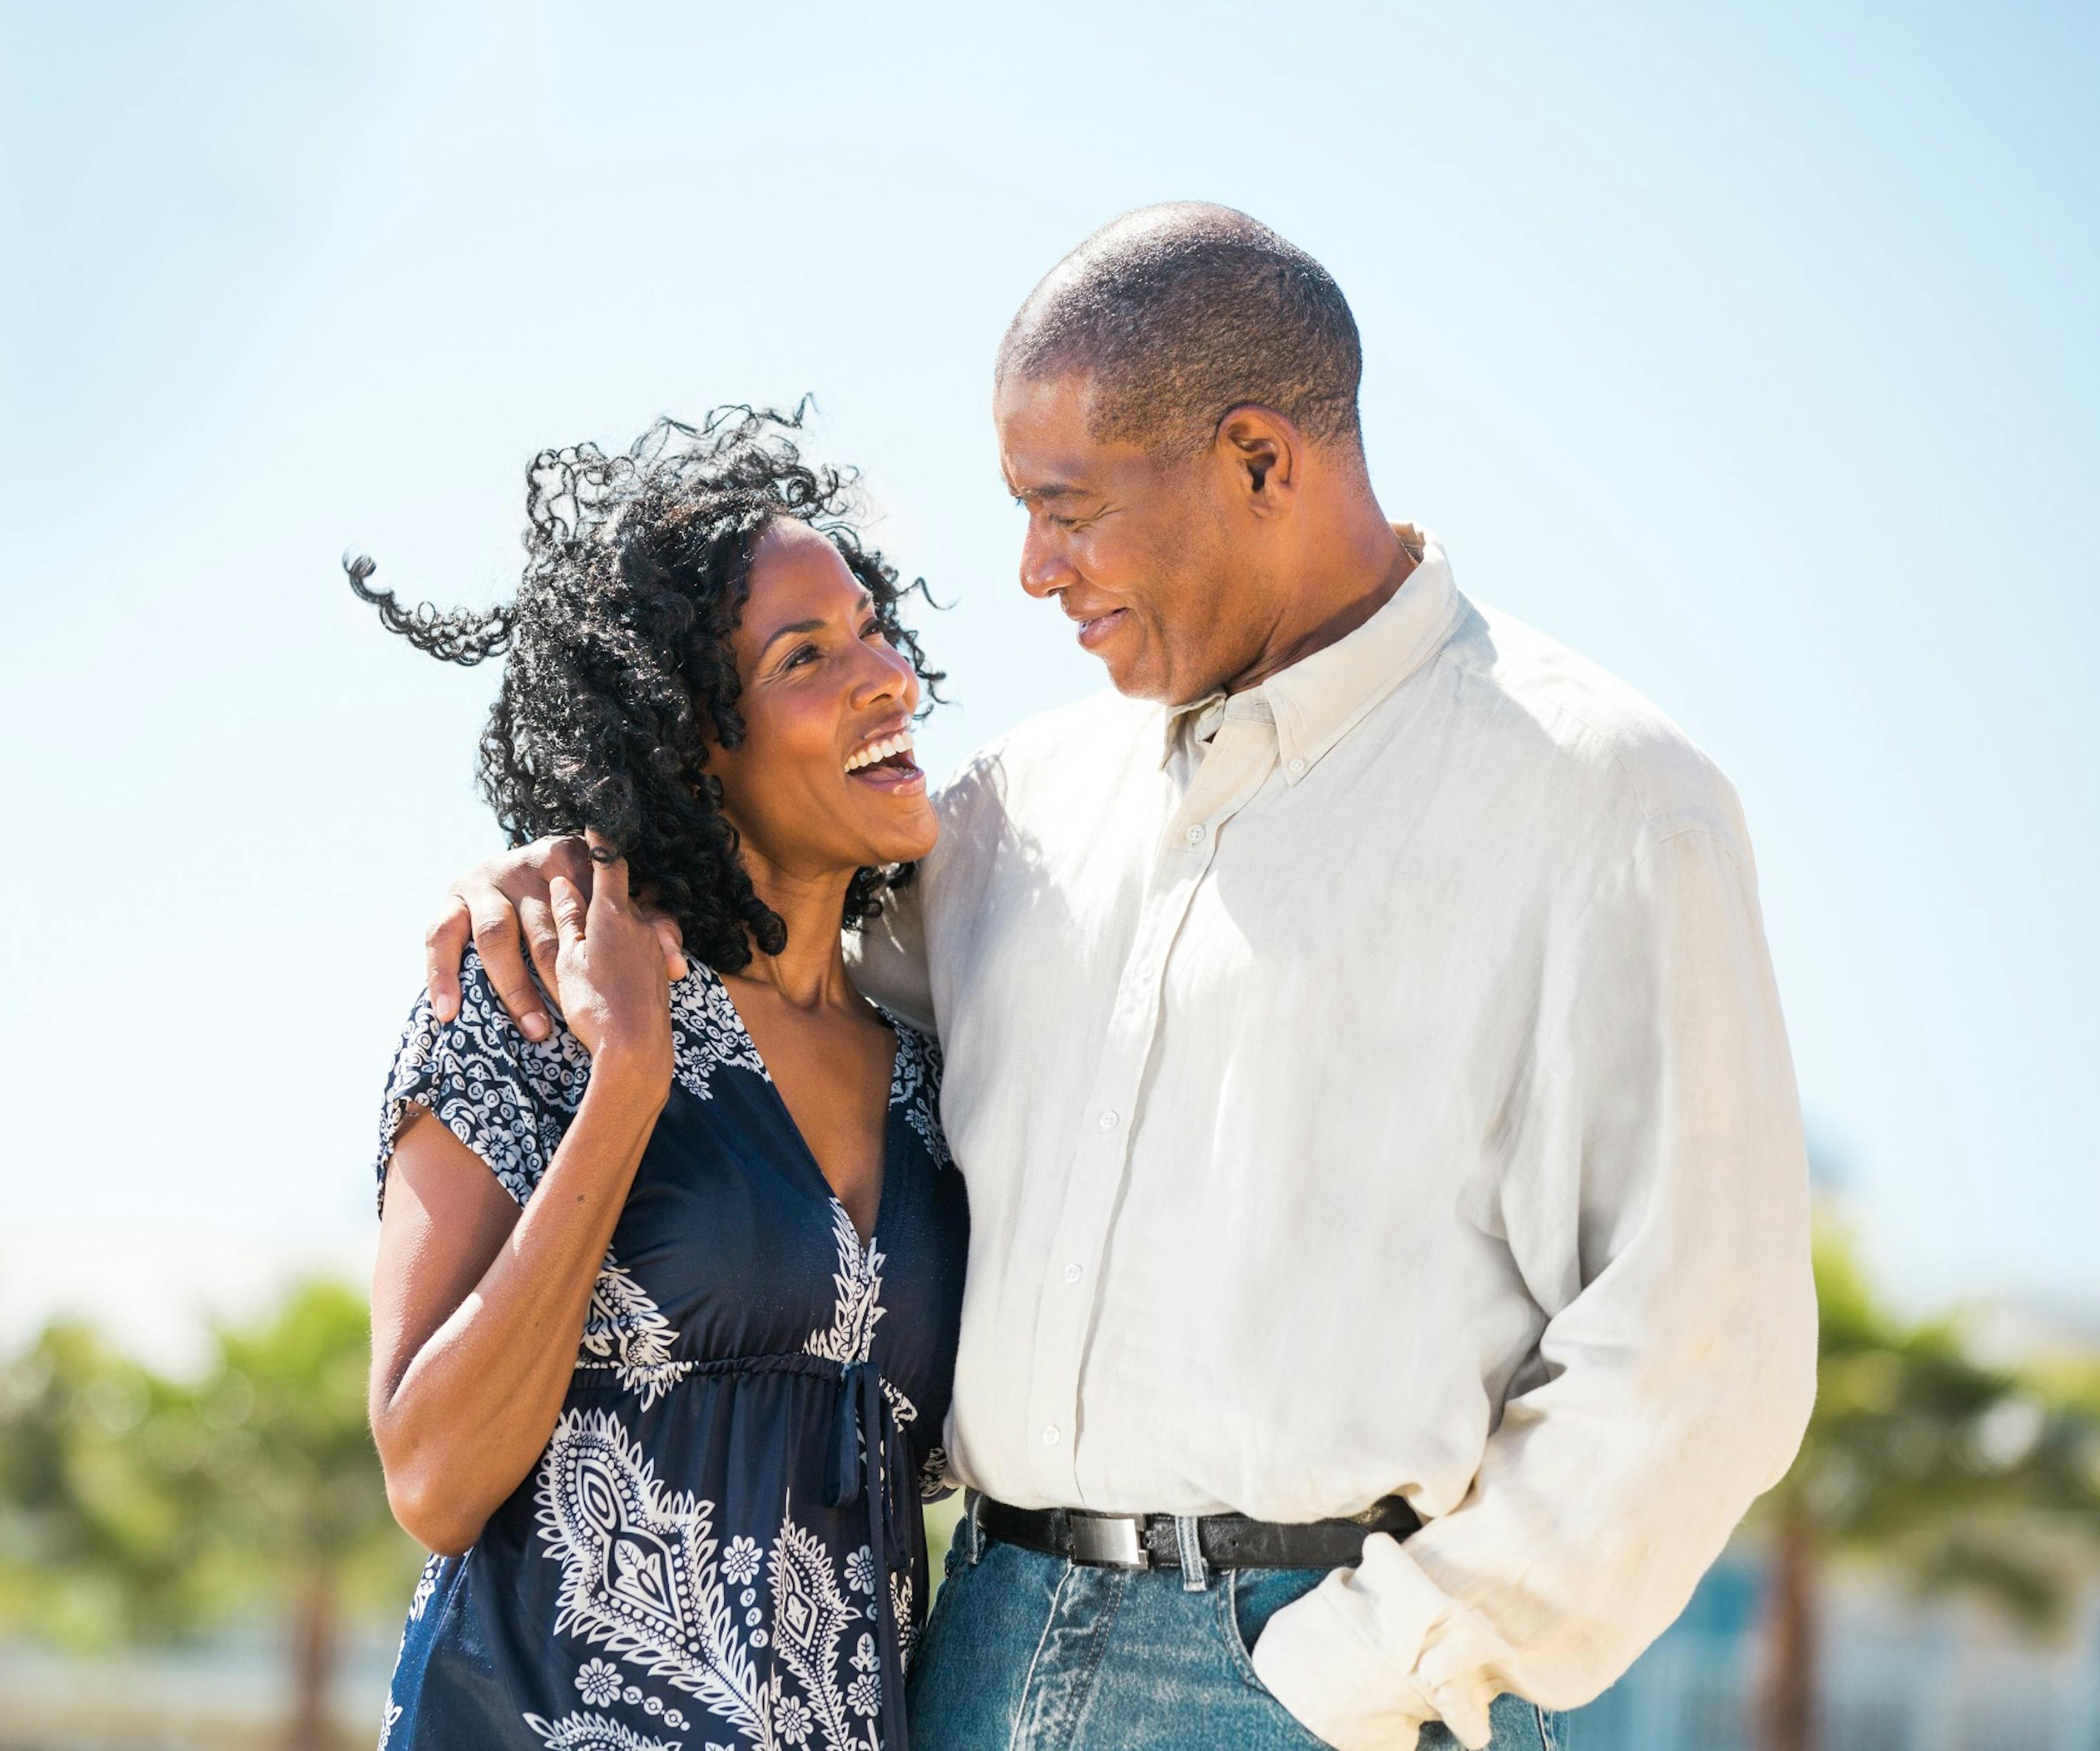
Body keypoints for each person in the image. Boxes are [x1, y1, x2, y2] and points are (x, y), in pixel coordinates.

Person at [428, 205, 1818, 1751]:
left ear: (1259, 461)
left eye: (1067, 506)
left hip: (1308, 1670)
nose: (1030, 571)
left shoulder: (1603, 798)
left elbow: (1707, 1345)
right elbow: (763, 935)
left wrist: (1371, 1666)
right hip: (971, 1646)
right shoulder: (1022, 812)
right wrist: (574, 857)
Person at [358, 408, 973, 1751]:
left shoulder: (936, 1066)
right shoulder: (534, 997)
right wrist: (626, 1081)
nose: (885, 676)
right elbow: (433, 1473)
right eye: (807, 655)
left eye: (873, 628)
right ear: (691, 737)